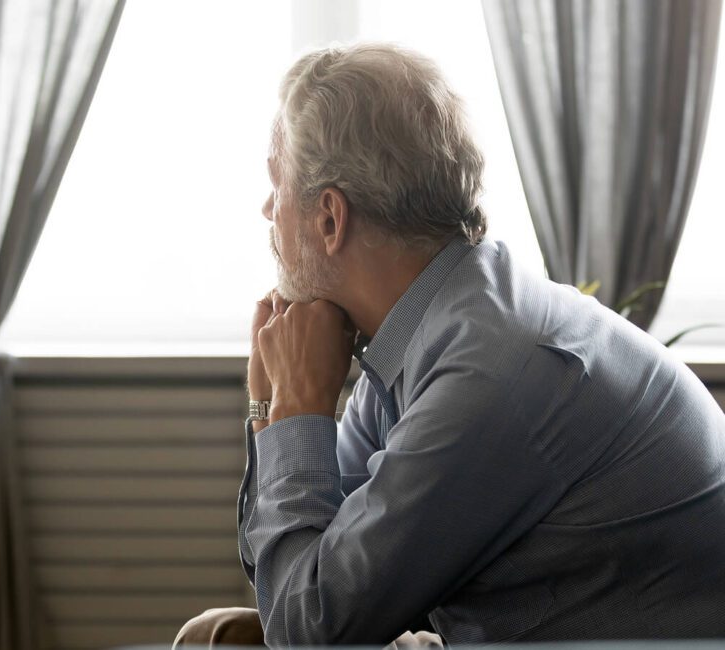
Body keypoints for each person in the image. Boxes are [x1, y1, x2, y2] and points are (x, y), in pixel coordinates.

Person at [174, 42, 725, 647]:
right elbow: (299, 576)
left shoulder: (491, 371)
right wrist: (272, 415)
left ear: (330, 219)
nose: (265, 209)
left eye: (275, 184)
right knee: (216, 636)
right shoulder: (424, 327)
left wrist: (292, 414)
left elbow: (311, 629)